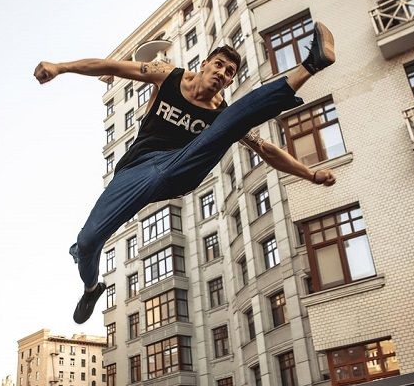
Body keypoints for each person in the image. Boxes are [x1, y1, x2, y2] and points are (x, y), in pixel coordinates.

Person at [34, 22, 338, 324]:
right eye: (218, 65)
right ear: (204, 64)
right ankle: (90, 288)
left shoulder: (221, 112)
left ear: (229, 81)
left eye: (229, 72)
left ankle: (310, 64)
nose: (221, 73)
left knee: (229, 124)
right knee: (88, 241)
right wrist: (61, 67)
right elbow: (109, 66)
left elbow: (267, 150)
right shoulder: (167, 75)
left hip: (180, 169)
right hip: (135, 170)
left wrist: (309, 175)